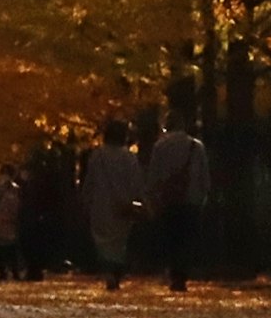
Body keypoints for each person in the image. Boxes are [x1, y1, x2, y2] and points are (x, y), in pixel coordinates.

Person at [142, 112, 210, 292]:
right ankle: (182, 274)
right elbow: (204, 177)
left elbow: (154, 174)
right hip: (191, 200)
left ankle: (174, 274)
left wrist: (151, 198)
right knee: (186, 238)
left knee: (171, 238)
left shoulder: (160, 146)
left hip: (168, 200)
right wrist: (202, 196)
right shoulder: (197, 147)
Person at [79, 115, 143, 291]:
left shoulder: (97, 156)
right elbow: (136, 182)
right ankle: (116, 272)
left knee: (102, 242)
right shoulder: (129, 157)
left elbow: (90, 181)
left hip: (101, 204)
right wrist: (139, 200)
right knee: (119, 242)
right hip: (123, 205)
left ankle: (108, 271)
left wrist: (86, 200)